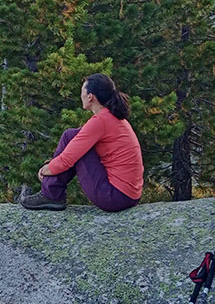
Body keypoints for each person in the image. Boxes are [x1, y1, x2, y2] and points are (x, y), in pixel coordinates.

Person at [19, 73, 143, 212]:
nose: (81, 95)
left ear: (90, 96)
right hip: (129, 195)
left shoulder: (100, 121)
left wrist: (47, 169)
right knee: (71, 135)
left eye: (82, 91)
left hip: (115, 197)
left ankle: (51, 194)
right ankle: (52, 192)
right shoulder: (112, 117)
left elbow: (68, 158)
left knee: (73, 139)